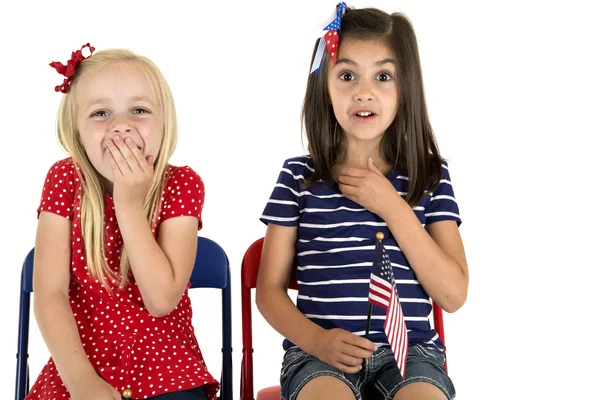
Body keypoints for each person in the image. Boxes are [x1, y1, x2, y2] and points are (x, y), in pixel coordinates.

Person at [256, 4, 468, 400]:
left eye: (383, 76)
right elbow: (268, 290)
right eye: (347, 75)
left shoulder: (430, 177)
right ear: (325, 86)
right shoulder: (298, 178)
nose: (364, 91)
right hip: (318, 355)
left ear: (406, 88)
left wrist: (392, 206)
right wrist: (317, 341)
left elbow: (453, 295)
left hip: (413, 355)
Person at [28, 44, 219, 400]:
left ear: (165, 122)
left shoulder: (181, 184)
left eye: (139, 110)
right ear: (77, 131)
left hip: (166, 367)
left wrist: (129, 208)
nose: (121, 126)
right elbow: (50, 295)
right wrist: (81, 381)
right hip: (78, 365)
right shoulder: (64, 179)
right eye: (101, 113)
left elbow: (161, 299)